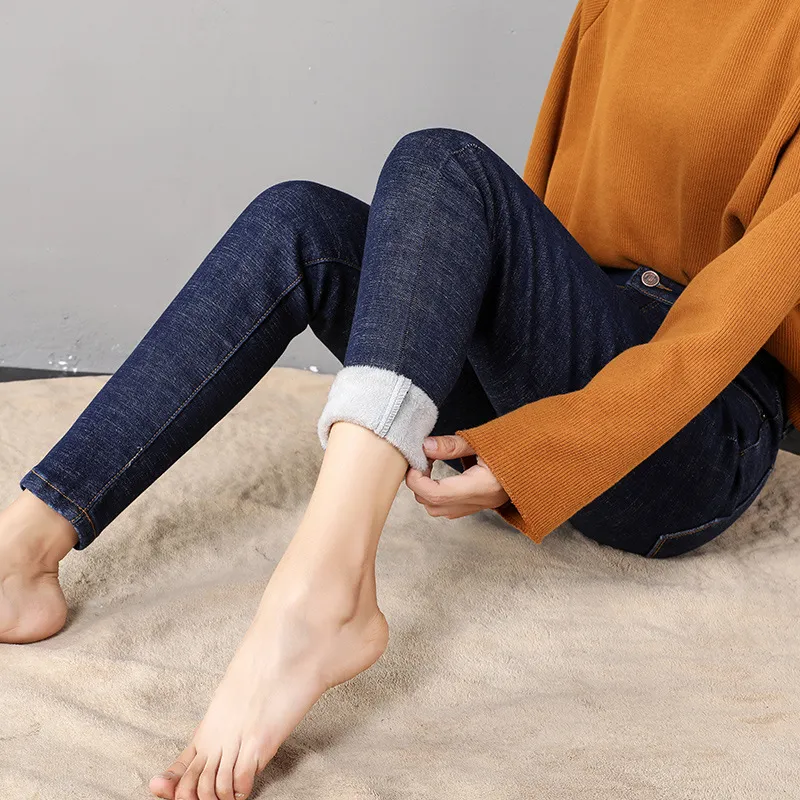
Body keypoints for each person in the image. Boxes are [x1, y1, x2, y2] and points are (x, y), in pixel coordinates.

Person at [2, 0, 799, 798]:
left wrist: (547, 448)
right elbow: (553, 216)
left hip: (703, 427)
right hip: (583, 332)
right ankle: (29, 545)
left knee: (442, 160)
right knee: (297, 220)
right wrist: (503, 359)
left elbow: (724, 330)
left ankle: (322, 596)